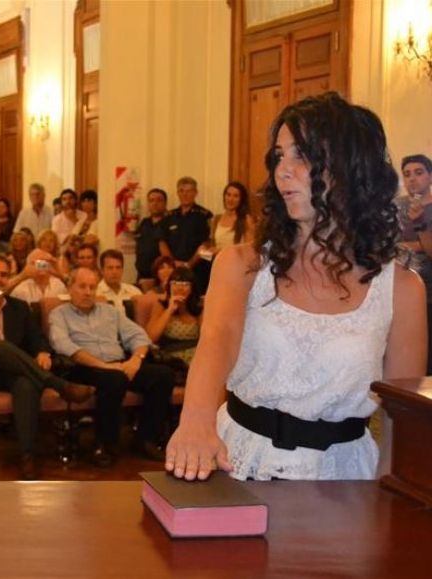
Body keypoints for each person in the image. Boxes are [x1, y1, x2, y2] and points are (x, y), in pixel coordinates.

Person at [165, 92, 426, 483]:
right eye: (278, 157)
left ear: (350, 168)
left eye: (300, 156)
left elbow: (400, 418)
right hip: (238, 463)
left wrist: (394, 501)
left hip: (344, 481)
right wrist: (195, 421)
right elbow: (218, 339)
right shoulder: (243, 265)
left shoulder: (401, 289)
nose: (281, 171)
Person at [0, 254, 93, 479]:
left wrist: (43, 352)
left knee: (25, 384)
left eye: (3, 275)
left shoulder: (19, 307)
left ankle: (27, 457)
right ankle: (59, 385)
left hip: (16, 372)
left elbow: (37, 339)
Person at [49, 267, 174, 467]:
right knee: (113, 380)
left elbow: (138, 336)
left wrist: (135, 360)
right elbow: (63, 345)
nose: (88, 292)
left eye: (92, 287)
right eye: (82, 286)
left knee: (163, 375)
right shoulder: (59, 314)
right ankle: (104, 444)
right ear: (70, 288)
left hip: (119, 364)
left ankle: (145, 439)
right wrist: (104, 366)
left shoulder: (110, 312)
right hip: (83, 367)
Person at [396, 153, 432, 373]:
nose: (412, 179)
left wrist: (419, 224)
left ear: (430, 176)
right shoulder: (396, 205)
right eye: (407, 174)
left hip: (429, 291)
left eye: (418, 173)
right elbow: (388, 243)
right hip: (400, 287)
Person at [162, 177, 213, 293]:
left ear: (195, 193)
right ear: (177, 193)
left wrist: (188, 265)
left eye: (189, 191)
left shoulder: (205, 215)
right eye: (182, 191)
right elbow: (162, 242)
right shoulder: (169, 216)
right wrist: (172, 263)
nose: (185, 194)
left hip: (198, 269)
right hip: (173, 270)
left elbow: (207, 245)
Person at [145, 267, 202, 365]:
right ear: (169, 286)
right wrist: (170, 310)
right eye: (175, 283)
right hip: (171, 358)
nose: (179, 288)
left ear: (192, 288)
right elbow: (151, 338)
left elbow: (206, 337)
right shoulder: (161, 306)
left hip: (197, 355)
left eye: (185, 284)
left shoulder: (199, 307)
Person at [204, 181, 255, 255]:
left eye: (236, 196)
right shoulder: (216, 219)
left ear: (241, 199)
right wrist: (205, 250)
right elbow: (213, 246)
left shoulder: (246, 220)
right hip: (217, 263)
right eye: (228, 195)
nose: (231, 199)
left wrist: (221, 251)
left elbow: (249, 249)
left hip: (236, 264)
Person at [135, 188, 169, 284]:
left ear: (165, 203)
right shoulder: (144, 223)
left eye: (159, 200)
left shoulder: (170, 223)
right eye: (151, 200)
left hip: (160, 278)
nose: (155, 203)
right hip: (141, 275)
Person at [96, 249, 141, 315]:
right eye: (110, 268)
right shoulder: (95, 293)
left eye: (118, 267)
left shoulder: (134, 291)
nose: (115, 272)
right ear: (102, 271)